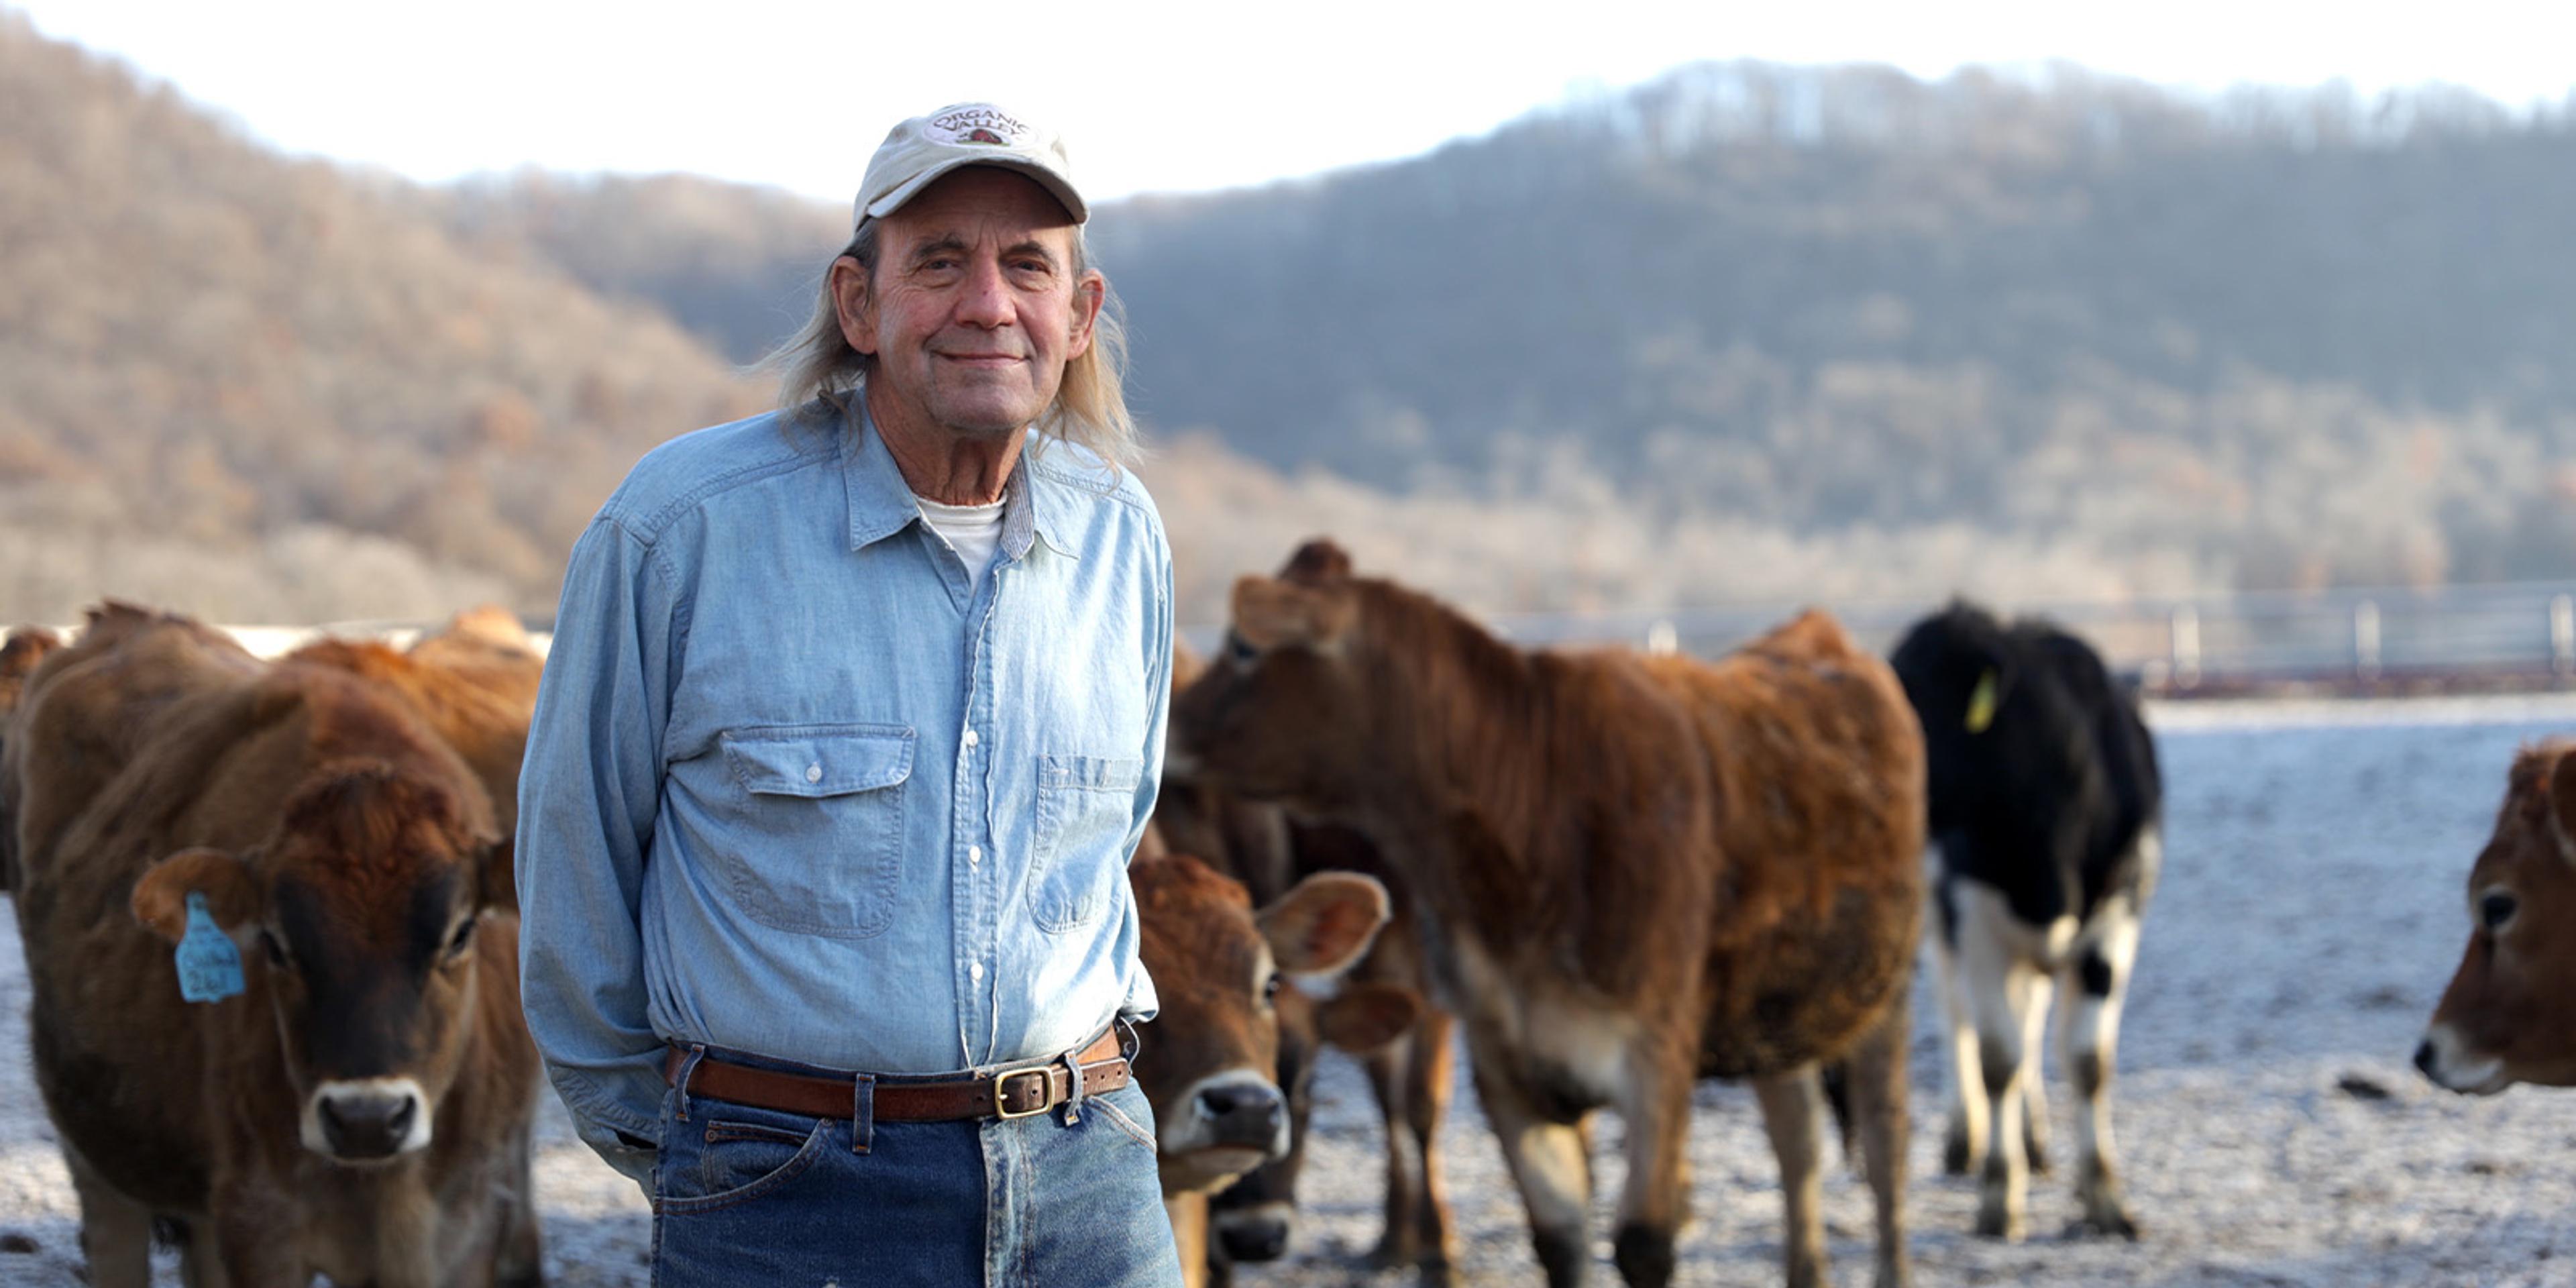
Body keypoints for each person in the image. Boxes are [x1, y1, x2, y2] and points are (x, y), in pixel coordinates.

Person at [516, 102, 1180, 1285]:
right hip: (790, 1190)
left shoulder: (1123, 536)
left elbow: (1112, 841)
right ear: (858, 304)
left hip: (1089, 1179)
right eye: (940, 262)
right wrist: (678, 1143)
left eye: (1028, 266)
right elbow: (578, 851)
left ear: (1079, 316)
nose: (990, 304)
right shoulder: (682, 529)